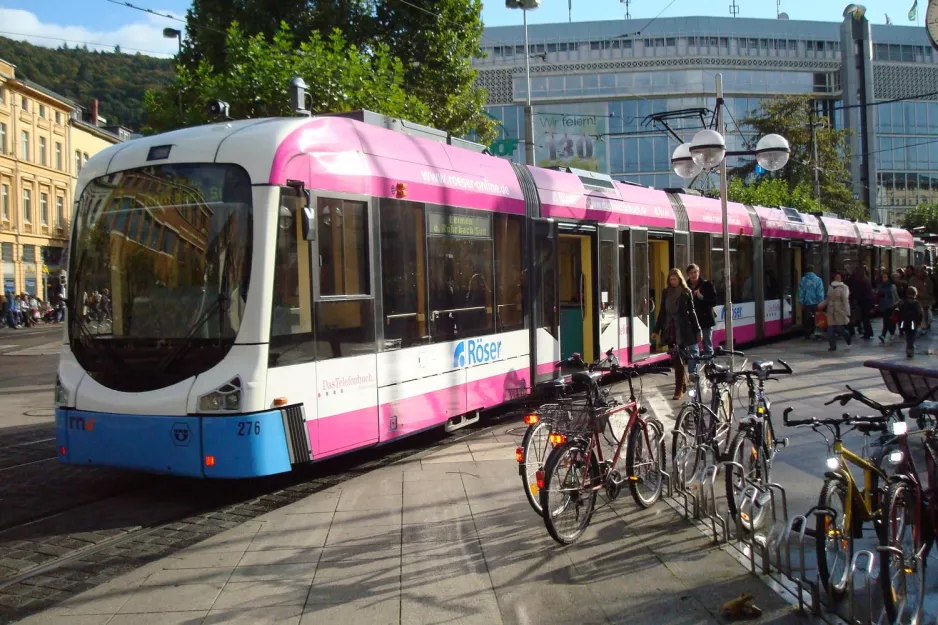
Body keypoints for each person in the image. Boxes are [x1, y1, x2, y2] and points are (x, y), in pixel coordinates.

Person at [652, 268, 702, 401]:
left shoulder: (686, 292)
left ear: (679, 279)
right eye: (671, 279)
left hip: (682, 329)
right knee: (675, 359)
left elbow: (692, 312)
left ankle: (678, 389)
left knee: (679, 358)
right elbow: (662, 311)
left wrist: (698, 331)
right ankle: (683, 383)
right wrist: (656, 330)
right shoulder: (666, 292)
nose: (672, 281)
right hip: (670, 329)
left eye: (675, 279)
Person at [685, 263, 716, 376]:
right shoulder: (685, 286)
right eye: (691, 273)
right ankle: (693, 373)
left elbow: (713, 301)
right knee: (692, 348)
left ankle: (709, 370)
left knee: (707, 346)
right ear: (688, 274)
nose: (694, 275)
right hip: (692, 322)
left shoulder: (707, 285)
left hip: (705, 321)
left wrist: (701, 297)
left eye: (695, 272)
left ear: (699, 272)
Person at [819, 271, 851, 351]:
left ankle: (847, 336)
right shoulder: (830, 286)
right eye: (836, 277)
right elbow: (828, 298)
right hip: (830, 311)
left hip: (839, 311)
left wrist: (847, 312)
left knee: (840, 330)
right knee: (830, 331)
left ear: (841, 278)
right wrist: (821, 305)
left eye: (839, 277)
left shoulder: (844, 287)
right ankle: (832, 346)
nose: (837, 278)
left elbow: (845, 300)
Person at [798, 266, 825, 339]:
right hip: (816, 303)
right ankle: (817, 333)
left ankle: (807, 333)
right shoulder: (818, 280)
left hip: (806, 303)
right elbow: (820, 292)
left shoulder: (803, 280)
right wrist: (821, 301)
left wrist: (801, 302)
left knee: (807, 318)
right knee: (817, 318)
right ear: (813, 270)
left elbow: (801, 292)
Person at [898, 286, 924, 358]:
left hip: (904, 321)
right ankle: (910, 348)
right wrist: (919, 322)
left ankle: (909, 346)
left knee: (908, 334)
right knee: (912, 335)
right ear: (915, 293)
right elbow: (920, 313)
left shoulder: (903, 301)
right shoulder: (916, 303)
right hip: (913, 322)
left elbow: (898, 309)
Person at [908, 265, 934, 332]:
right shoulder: (912, 279)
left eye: (920, 272)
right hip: (917, 298)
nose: (918, 274)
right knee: (917, 313)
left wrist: (930, 294)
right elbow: (910, 288)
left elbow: (931, 287)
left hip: (926, 298)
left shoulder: (927, 278)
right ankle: (918, 325)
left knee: (925, 313)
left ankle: (925, 325)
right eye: (917, 272)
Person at [876, 272, 898, 343]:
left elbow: (895, 296)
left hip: (890, 305)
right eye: (883, 277)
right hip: (883, 305)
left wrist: (896, 304)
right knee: (885, 320)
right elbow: (878, 295)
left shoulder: (892, 286)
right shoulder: (880, 286)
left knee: (889, 320)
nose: (884, 279)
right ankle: (887, 334)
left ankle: (885, 334)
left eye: (885, 277)